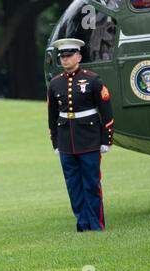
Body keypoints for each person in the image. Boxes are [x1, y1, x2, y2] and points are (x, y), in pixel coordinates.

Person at [47, 38, 114, 232]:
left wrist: (106, 140)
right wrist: (55, 143)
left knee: (91, 184)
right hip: (66, 141)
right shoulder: (55, 83)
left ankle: (96, 224)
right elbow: (52, 115)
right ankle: (82, 223)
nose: (64, 60)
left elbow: (106, 112)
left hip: (90, 139)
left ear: (79, 56)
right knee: (73, 186)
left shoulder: (93, 80)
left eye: (68, 56)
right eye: (62, 56)